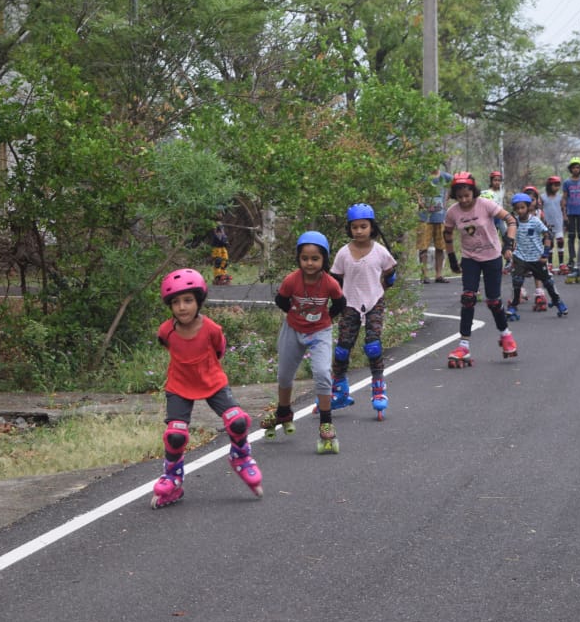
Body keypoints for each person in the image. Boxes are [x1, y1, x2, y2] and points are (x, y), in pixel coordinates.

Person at [151, 269, 262, 508]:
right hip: (179, 385)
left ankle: (241, 456)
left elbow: (219, 351)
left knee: (238, 421)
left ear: (199, 301)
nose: (182, 307)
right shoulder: (166, 331)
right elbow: (167, 346)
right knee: (176, 435)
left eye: (188, 300)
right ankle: (172, 479)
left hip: (212, 380)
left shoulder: (212, 328)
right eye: (176, 302)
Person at [260, 231, 347, 454]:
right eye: (305, 258)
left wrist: (326, 317)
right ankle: (283, 411)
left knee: (322, 373)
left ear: (324, 260)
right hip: (293, 329)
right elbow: (280, 299)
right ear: (299, 259)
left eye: (315, 258)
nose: (309, 263)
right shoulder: (292, 280)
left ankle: (326, 422)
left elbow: (339, 304)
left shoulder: (330, 283)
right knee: (284, 374)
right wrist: (295, 313)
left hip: (320, 332)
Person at [442, 172, 520, 367]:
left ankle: (506, 335)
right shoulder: (452, 212)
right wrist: (451, 258)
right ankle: (463, 345)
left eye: (467, 195)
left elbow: (511, 220)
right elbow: (447, 234)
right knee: (468, 298)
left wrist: (508, 244)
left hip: (492, 257)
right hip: (470, 259)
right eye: (459, 196)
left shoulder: (485, 205)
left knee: (493, 301)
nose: (464, 200)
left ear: (473, 192)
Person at [330, 204, 398, 420]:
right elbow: (335, 280)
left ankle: (378, 387)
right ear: (349, 228)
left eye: (363, 226)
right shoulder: (343, 253)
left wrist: (385, 285)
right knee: (342, 348)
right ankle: (339, 389)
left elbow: (390, 272)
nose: (359, 231)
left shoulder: (380, 251)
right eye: (355, 227)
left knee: (373, 345)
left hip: (374, 302)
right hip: (349, 303)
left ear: (372, 227)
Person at [505, 193, 567, 320]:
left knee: (548, 282)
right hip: (520, 257)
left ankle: (557, 301)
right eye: (517, 208)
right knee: (517, 281)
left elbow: (547, 235)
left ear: (528, 207)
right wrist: (507, 249)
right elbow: (508, 237)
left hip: (536, 257)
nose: (519, 211)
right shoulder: (513, 222)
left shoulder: (535, 221)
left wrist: (545, 254)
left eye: (522, 207)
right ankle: (514, 305)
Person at [417, 169, 454, 283]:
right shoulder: (422, 175)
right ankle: (424, 275)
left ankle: (439, 275)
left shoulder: (444, 176)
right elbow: (414, 187)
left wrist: (447, 198)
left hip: (440, 216)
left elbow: (455, 183)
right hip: (424, 217)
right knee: (423, 247)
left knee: (440, 246)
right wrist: (419, 199)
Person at [560, 157, 580, 274]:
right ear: (570, 169)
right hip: (571, 213)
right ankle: (571, 259)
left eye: (578, 167)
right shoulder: (567, 182)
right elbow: (564, 198)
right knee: (571, 236)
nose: (575, 169)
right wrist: (564, 214)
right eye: (573, 167)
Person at [542, 176, 566, 270]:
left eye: (558, 186)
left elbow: (563, 209)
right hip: (547, 224)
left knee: (560, 241)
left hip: (558, 223)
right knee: (549, 243)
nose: (557, 188)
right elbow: (540, 209)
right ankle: (550, 263)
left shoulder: (560, 197)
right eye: (555, 185)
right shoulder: (543, 197)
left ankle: (561, 263)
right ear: (549, 185)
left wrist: (565, 219)